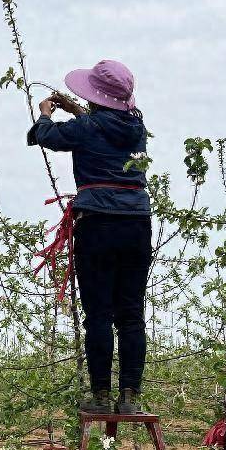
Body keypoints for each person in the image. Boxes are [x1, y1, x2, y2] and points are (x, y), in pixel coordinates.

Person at [27, 59, 150, 414]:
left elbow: (47, 137)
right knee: (130, 313)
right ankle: (129, 397)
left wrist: (46, 113)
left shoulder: (87, 128)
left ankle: (99, 397)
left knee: (98, 312)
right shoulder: (137, 128)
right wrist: (76, 109)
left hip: (97, 222)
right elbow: (102, 127)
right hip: (137, 223)